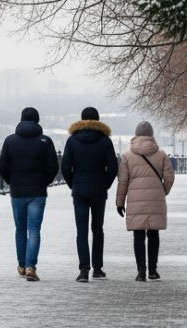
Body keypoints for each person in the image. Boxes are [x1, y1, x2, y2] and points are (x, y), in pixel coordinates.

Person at [0, 106, 59, 282]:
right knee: (34, 229)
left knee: (20, 229)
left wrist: (13, 181)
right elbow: (53, 167)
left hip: (17, 192)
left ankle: (22, 265)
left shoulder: (10, 141)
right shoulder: (46, 141)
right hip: (37, 192)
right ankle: (31, 266)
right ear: (37, 120)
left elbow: (2, 167)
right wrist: (43, 182)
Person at [61, 106, 118, 283]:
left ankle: (84, 270)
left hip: (79, 191)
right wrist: (104, 184)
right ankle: (98, 268)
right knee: (97, 230)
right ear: (98, 120)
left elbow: (65, 167)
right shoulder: (105, 141)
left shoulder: (72, 141)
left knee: (81, 230)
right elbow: (113, 168)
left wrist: (74, 184)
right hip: (99, 190)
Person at [116, 121, 175, 282]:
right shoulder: (161, 154)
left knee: (138, 235)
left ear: (136, 135)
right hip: (156, 199)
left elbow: (123, 181)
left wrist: (120, 202)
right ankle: (153, 271)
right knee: (154, 234)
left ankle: (141, 272)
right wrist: (163, 192)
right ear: (151, 135)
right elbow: (169, 177)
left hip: (136, 200)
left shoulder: (127, 156)